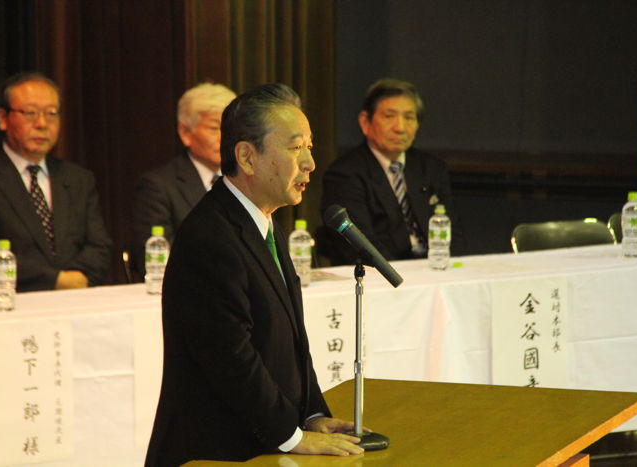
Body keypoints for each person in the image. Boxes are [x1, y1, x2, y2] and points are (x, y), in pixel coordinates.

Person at [145, 84, 363, 464]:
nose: (310, 162)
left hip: (256, 445)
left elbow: (292, 338)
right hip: (215, 454)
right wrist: (291, 436)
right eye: (296, 148)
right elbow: (231, 358)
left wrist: (311, 414)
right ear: (247, 157)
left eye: (310, 147)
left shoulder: (262, 220)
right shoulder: (210, 236)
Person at [0, 72, 113, 294]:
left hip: (74, 300)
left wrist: (75, 279)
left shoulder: (78, 178)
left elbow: (99, 246)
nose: (42, 124)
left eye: (51, 114)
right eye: (30, 113)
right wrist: (55, 280)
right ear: (2, 118)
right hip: (7, 303)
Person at [320, 78, 458, 265]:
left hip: (434, 269)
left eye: (409, 117)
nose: (400, 128)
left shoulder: (432, 168)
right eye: (389, 116)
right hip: (384, 275)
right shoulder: (344, 174)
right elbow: (360, 245)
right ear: (365, 122)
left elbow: (453, 232)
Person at [131, 82, 236, 276]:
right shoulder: (158, 186)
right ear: (185, 133)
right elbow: (154, 258)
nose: (225, 138)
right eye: (215, 128)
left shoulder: (243, 180)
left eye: (229, 129)